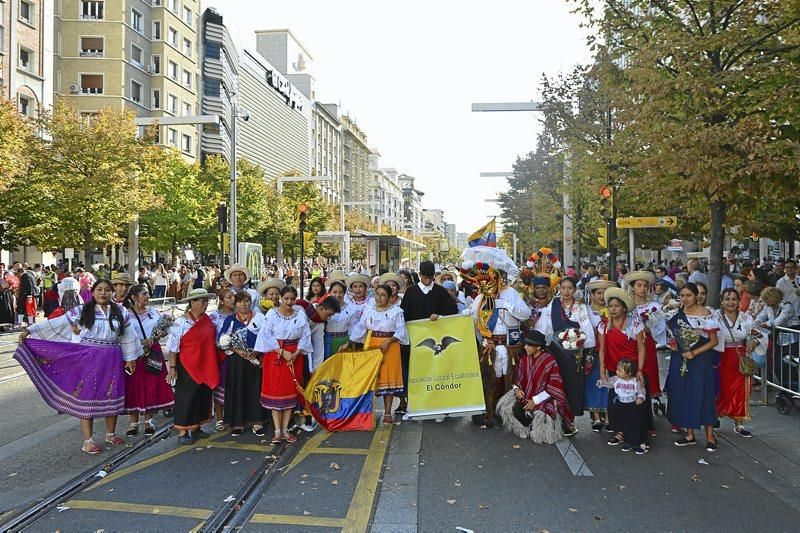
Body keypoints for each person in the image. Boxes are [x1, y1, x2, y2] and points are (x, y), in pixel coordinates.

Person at [16, 279, 142, 454]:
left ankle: (110, 434)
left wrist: (130, 358)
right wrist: (30, 330)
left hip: (113, 357)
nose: (103, 293)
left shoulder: (120, 311)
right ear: (93, 291)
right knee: (87, 396)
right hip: (89, 358)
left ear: (112, 292)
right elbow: (57, 323)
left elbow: (128, 336)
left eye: (107, 290)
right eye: (99, 289)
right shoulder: (83, 310)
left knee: (112, 393)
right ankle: (87, 441)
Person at [665, 283, 721, 451]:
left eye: (688, 295)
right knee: (685, 394)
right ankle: (690, 434)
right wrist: (673, 344)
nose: (685, 299)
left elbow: (714, 341)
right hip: (681, 358)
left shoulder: (707, 315)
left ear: (696, 295)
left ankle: (710, 436)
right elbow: (670, 335)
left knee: (704, 394)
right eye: (682, 296)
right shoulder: (676, 315)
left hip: (701, 360)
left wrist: (694, 353)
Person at [535, 276, 596, 432]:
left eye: (570, 288)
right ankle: (554, 419)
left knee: (573, 387)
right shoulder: (553, 305)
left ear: (575, 290)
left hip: (575, 355)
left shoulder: (581, 307)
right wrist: (540, 345)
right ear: (559, 289)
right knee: (556, 385)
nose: (566, 291)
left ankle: (570, 421)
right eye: (563, 288)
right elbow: (545, 327)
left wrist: (586, 352)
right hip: (556, 352)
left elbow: (587, 330)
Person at [400, 261, 459, 416]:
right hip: (416, 343)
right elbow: (404, 315)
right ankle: (417, 404)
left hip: (437, 342)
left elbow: (452, 311)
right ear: (420, 275)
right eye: (425, 277)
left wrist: (440, 316)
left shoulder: (440, 291)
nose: (428, 281)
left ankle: (438, 405)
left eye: (431, 277)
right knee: (417, 374)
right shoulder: (411, 292)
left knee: (437, 373)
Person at [255, 285, 312, 444]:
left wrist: (297, 352)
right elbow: (266, 335)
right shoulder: (272, 314)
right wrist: (281, 351)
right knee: (276, 392)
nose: (289, 301)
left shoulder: (300, 314)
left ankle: (286, 429)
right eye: (286, 298)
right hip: (276, 356)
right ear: (281, 298)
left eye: (292, 299)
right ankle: (277, 430)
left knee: (290, 393)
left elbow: (306, 335)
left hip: (294, 356)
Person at [345, 284, 408, 425]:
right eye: (377, 294)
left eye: (383, 295)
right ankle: (367, 413)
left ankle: (387, 413)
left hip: (390, 347)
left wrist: (389, 340)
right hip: (371, 345)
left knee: (389, 379)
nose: (379, 297)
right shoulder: (369, 310)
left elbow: (401, 331)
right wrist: (349, 343)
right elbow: (360, 328)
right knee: (371, 379)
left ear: (390, 297)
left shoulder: (397, 312)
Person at [496, 330, 572, 444]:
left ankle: (537, 425)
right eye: (525, 344)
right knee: (511, 409)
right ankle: (527, 425)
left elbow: (554, 386)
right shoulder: (524, 359)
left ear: (538, 347)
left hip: (546, 400)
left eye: (529, 345)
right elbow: (518, 378)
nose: (525, 347)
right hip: (525, 397)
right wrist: (516, 389)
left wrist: (535, 400)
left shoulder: (549, 361)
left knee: (542, 435)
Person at [166, 288, 220, 445]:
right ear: (192, 303)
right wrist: (172, 367)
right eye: (200, 301)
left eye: (205, 301)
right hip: (187, 365)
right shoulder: (181, 322)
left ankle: (197, 426)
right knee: (186, 397)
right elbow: (173, 346)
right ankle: (183, 431)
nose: (204, 303)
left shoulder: (209, 320)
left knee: (202, 396)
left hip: (205, 364)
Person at [123, 284, 175, 436]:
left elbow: (165, 330)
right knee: (133, 385)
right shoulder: (126, 314)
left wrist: (157, 337)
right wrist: (140, 342)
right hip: (133, 353)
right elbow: (122, 334)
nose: (148, 297)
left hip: (153, 353)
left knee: (151, 384)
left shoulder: (153, 312)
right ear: (134, 297)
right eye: (144, 294)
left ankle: (148, 422)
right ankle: (133, 423)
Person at [715, 288, 767, 438]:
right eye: (727, 299)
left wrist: (753, 341)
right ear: (722, 301)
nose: (731, 302)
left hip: (740, 358)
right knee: (721, 389)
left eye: (734, 299)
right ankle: (715, 416)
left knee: (741, 391)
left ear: (739, 301)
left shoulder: (746, 318)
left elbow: (758, 334)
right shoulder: (715, 317)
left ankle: (739, 423)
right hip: (720, 357)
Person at [597, 288, 646, 444]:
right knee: (616, 403)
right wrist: (602, 371)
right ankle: (619, 432)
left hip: (630, 370)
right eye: (610, 306)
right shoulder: (603, 325)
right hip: (614, 370)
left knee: (633, 404)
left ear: (624, 308)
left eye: (616, 306)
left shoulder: (635, 324)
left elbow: (641, 348)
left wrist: (639, 370)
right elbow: (602, 349)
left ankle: (634, 433)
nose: (613, 309)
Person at [218, 291, 266, 437]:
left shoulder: (259, 318)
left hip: (255, 359)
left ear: (250, 302)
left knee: (255, 389)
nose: (243, 304)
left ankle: (257, 422)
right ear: (235, 304)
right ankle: (237, 423)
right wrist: (237, 350)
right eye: (240, 302)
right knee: (237, 390)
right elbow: (222, 340)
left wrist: (256, 352)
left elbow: (266, 336)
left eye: (246, 301)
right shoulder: (231, 320)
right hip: (237, 360)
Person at [624, 271, 666, 430]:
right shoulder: (626, 306)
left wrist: (647, 327)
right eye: (639, 285)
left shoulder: (654, 307)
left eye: (645, 286)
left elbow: (659, 329)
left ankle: (646, 417)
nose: (642, 289)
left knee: (646, 377)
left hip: (646, 345)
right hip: (629, 345)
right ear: (633, 287)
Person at [597, 358, 649, 454]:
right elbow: (609, 382)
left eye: (620, 370)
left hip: (633, 406)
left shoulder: (635, 381)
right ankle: (628, 442)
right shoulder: (616, 379)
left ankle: (640, 443)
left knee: (635, 424)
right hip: (621, 405)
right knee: (624, 423)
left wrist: (640, 398)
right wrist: (601, 382)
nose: (617, 371)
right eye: (617, 369)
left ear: (629, 373)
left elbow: (642, 390)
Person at [584, 280, 616, 431]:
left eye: (605, 293)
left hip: (611, 352)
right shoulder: (586, 311)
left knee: (609, 383)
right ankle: (596, 417)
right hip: (593, 352)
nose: (602, 296)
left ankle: (609, 416)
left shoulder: (614, 310)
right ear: (592, 295)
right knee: (594, 383)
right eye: (598, 293)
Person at [209, 287, 235, 430]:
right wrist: (219, 344)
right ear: (221, 300)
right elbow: (210, 335)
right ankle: (219, 418)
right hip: (220, 355)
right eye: (229, 297)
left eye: (233, 297)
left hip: (237, 355)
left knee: (235, 386)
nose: (232, 299)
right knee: (220, 385)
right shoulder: (215, 316)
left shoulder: (240, 314)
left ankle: (234, 416)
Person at [324, 281, 360, 360]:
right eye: (334, 292)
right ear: (330, 293)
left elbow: (352, 329)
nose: (337, 295)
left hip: (344, 342)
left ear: (344, 293)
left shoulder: (351, 309)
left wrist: (349, 343)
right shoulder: (324, 308)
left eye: (340, 292)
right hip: (327, 342)